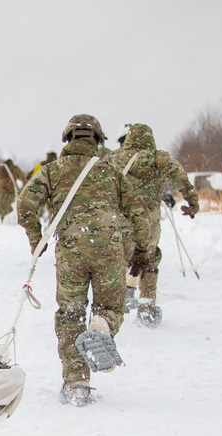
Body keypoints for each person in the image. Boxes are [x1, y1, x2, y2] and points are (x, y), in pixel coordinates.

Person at [17, 114, 150, 407]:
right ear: (99, 140)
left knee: (70, 314)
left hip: (72, 251)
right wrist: (142, 251)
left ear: (67, 139)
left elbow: (25, 204)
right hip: (110, 250)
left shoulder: (52, 171)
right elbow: (139, 213)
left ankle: (77, 383)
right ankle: (102, 323)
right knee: (110, 307)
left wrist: (35, 240)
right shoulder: (112, 172)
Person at [109, 123, 199, 327]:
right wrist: (192, 202)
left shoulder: (113, 158)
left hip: (119, 221)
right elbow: (181, 177)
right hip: (149, 222)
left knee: (117, 261)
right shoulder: (158, 158)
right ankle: (147, 310)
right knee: (149, 260)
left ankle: (110, 311)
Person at [0, 155, 26, 223]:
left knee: (3, 206)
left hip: (2, 191)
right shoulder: (15, 169)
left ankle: (5, 219)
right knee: (10, 205)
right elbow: (23, 178)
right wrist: (27, 187)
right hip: (12, 191)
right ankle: (10, 219)